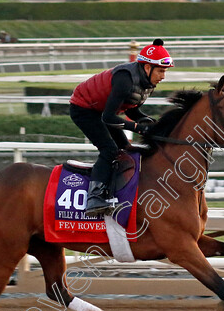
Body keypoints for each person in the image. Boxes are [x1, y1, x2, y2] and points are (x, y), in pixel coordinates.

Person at [69, 39, 173, 216]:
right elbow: (108, 118)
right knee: (109, 150)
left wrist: (151, 123)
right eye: (161, 71)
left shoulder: (147, 82)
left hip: (102, 110)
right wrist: (139, 128)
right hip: (84, 109)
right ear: (147, 67)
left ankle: (115, 190)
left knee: (125, 148)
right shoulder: (125, 79)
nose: (163, 76)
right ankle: (94, 198)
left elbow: (131, 109)